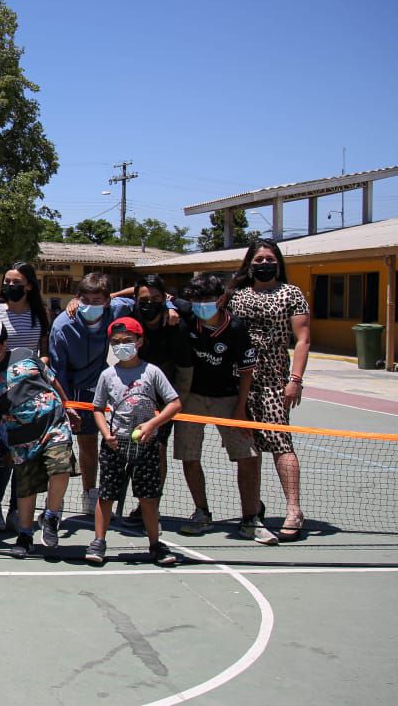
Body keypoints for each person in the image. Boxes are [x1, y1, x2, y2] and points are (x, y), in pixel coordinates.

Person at [173, 275, 276, 544]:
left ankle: (250, 519)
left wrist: (241, 410)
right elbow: (155, 295)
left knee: (248, 456)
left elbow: (246, 374)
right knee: (189, 455)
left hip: (228, 399)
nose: (200, 305)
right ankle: (201, 512)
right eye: (196, 301)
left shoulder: (236, 328)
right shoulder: (186, 313)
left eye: (206, 300)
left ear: (221, 299)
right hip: (191, 398)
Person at [0, 318, 79, 557]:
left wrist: (67, 404)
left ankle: (51, 515)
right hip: (21, 438)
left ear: (3, 343)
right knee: (26, 489)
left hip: (54, 425)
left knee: (61, 469)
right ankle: (25, 535)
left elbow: (51, 379)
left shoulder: (25, 354)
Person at [226, 238, 311, 540]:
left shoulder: (291, 294)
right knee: (248, 450)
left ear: (278, 262)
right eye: (258, 259)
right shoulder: (236, 296)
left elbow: (302, 339)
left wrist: (295, 380)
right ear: (249, 264)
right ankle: (252, 510)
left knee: (280, 444)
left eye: (269, 259)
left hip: (275, 378)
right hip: (241, 380)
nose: (264, 264)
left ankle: (293, 510)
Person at [86, 317, 182, 566]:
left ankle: (155, 544)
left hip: (146, 446)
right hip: (114, 445)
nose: (121, 346)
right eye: (116, 342)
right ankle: (99, 541)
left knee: (148, 498)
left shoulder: (152, 372)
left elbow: (175, 403)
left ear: (139, 342)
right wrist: (106, 433)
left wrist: (152, 425)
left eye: (127, 340)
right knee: (106, 495)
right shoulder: (107, 375)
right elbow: (97, 408)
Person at [49, 272, 134, 516]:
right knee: (59, 446)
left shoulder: (116, 310)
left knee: (89, 444)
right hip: (68, 390)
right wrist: (66, 404)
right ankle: (55, 501)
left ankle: (89, 493)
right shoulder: (62, 325)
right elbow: (58, 369)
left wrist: (170, 305)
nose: (89, 305)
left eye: (96, 300)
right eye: (84, 299)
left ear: (107, 301)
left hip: (97, 389)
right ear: (77, 298)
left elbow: (142, 293)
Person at [0, 262, 51, 530]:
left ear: (29, 285)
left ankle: (15, 509)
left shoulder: (39, 313)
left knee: (25, 454)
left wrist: (37, 368)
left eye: (16, 282)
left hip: (30, 392)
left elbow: (43, 350)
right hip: (1, 393)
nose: (10, 286)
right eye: (7, 281)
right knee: (5, 453)